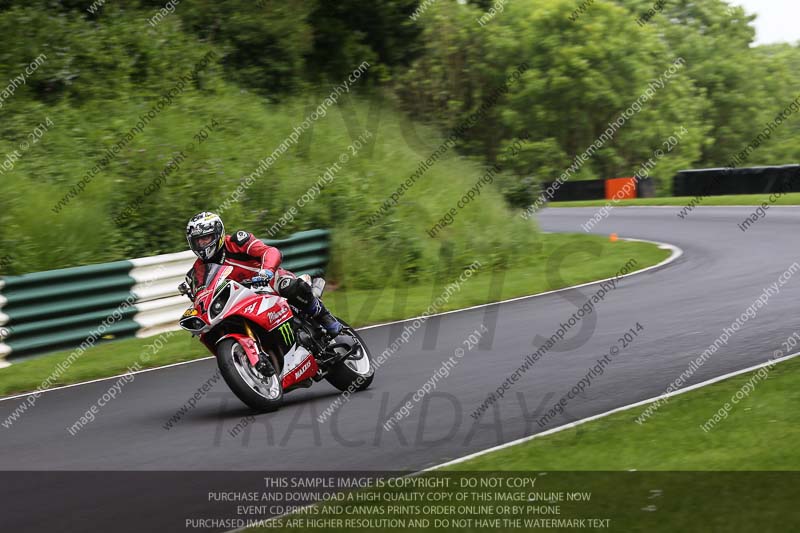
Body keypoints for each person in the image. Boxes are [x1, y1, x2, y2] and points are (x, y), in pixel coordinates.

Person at [182, 211, 342, 336]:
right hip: (242, 301)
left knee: (289, 287)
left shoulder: (237, 242)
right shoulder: (199, 268)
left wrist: (266, 271)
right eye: (198, 241)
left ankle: (324, 317)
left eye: (206, 238)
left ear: (218, 234)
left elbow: (270, 251)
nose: (202, 244)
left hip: (269, 282)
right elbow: (203, 294)